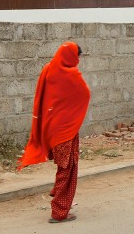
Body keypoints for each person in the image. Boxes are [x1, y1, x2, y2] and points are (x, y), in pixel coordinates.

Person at [17, 41, 90, 224]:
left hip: (50, 129)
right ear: (73, 57)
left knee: (62, 168)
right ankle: (59, 212)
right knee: (67, 169)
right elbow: (85, 94)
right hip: (66, 132)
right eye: (77, 57)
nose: (78, 60)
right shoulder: (72, 74)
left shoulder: (48, 69)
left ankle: (58, 196)